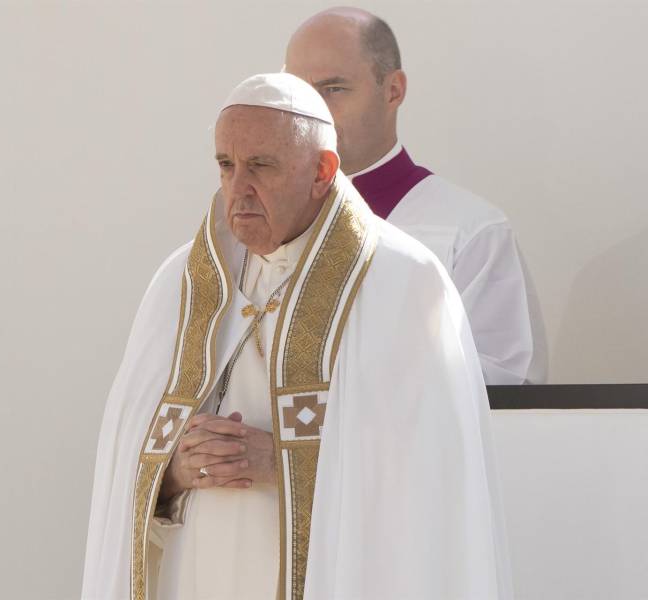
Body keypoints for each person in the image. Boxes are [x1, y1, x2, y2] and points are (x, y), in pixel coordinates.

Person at [81, 73, 512, 600]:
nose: (238, 188)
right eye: (226, 165)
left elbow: (433, 471)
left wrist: (283, 461)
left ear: (322, 172)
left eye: (261, 166)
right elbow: (123, 453)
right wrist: (171, 470)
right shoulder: (183, 282)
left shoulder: (404, 281)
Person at [285, 7, 548, 384]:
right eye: (299, 93)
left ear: (393, 90)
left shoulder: (470, 233)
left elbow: (503, 391)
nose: (313, 113)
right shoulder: (259, 232)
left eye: (334, 89)